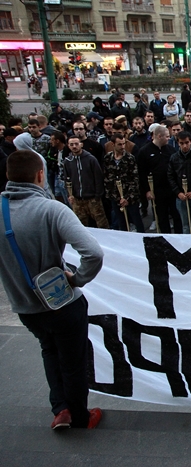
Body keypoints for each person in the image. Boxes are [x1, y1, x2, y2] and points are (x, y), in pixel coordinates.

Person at [0, 150, 105, 430]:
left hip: (25, 307)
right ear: (40, 175)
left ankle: (60, 410)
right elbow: (93, 253)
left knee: (49, 350)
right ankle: (80, 416)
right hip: (63, 305)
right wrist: (77, 279)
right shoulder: (51, 209)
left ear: (8, 177)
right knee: (73, 361)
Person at [138, 125, 181, 233]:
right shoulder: (144, 151)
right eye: (167, 136)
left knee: (177, 214)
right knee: (162, 216)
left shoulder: (171, 149)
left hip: (172, 188)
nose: (169, 138)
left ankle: (179, 235)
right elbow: (141, 173)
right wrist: (147, 190)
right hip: (157, 190)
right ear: (159, 136)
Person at [62, 136, 110, 228]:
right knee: (81, 226)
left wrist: (97, 195)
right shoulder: (67, 162)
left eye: (76, 144)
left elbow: (98, 178)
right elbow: (66, 179)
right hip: (77, 199)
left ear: (81, 144)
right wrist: (70, 194)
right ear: (68, 146)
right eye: (71, 144)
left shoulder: (91, 159)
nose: (74, 146)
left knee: (102, 223)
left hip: (92, 198)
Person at [103, 134, 144, 232]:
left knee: (137, 221)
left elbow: (134, 179)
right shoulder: (108, 158)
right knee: (121, 223)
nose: (122, 147)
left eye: (124, 144)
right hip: (115, 196)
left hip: (130, 196)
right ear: (113, 144)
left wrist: (127, 198)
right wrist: (115, 197)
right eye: (119, 144)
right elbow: (106, 178)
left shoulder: (130, 158)